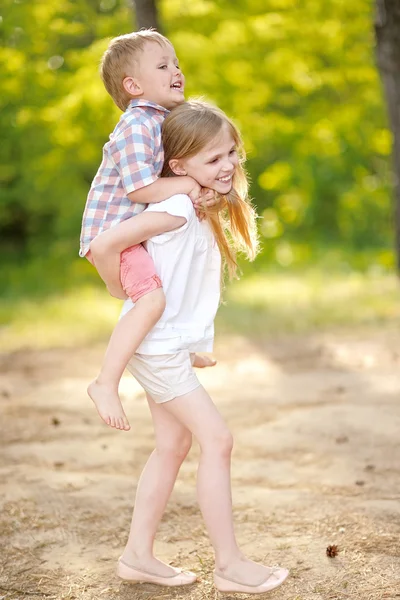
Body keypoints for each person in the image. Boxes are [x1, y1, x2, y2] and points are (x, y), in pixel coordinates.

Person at [112, 100, 289, 594]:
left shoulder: (194, 206)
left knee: (173, 444)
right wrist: (116, 287)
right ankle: (229, 564)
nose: (229, 164)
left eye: (231, 152)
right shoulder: (172, 208)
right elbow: (110, 244)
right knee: (218, 440)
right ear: (178, 167)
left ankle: (137, 556)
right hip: (156, 349)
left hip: (166, 346)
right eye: (213, 159)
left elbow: (182, 285)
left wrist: (190, 344)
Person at [79, 30, 217, 433]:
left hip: (134, 232)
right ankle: (105, 381)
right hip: (114, 232)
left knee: (170, 287)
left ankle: (181, 349)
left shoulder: (161, 121)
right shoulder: (136, 125)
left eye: (177, 64)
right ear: (133, 86)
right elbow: (140, 188)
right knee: (153, 299)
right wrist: (192, 186)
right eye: (163, 66)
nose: (176, 71)